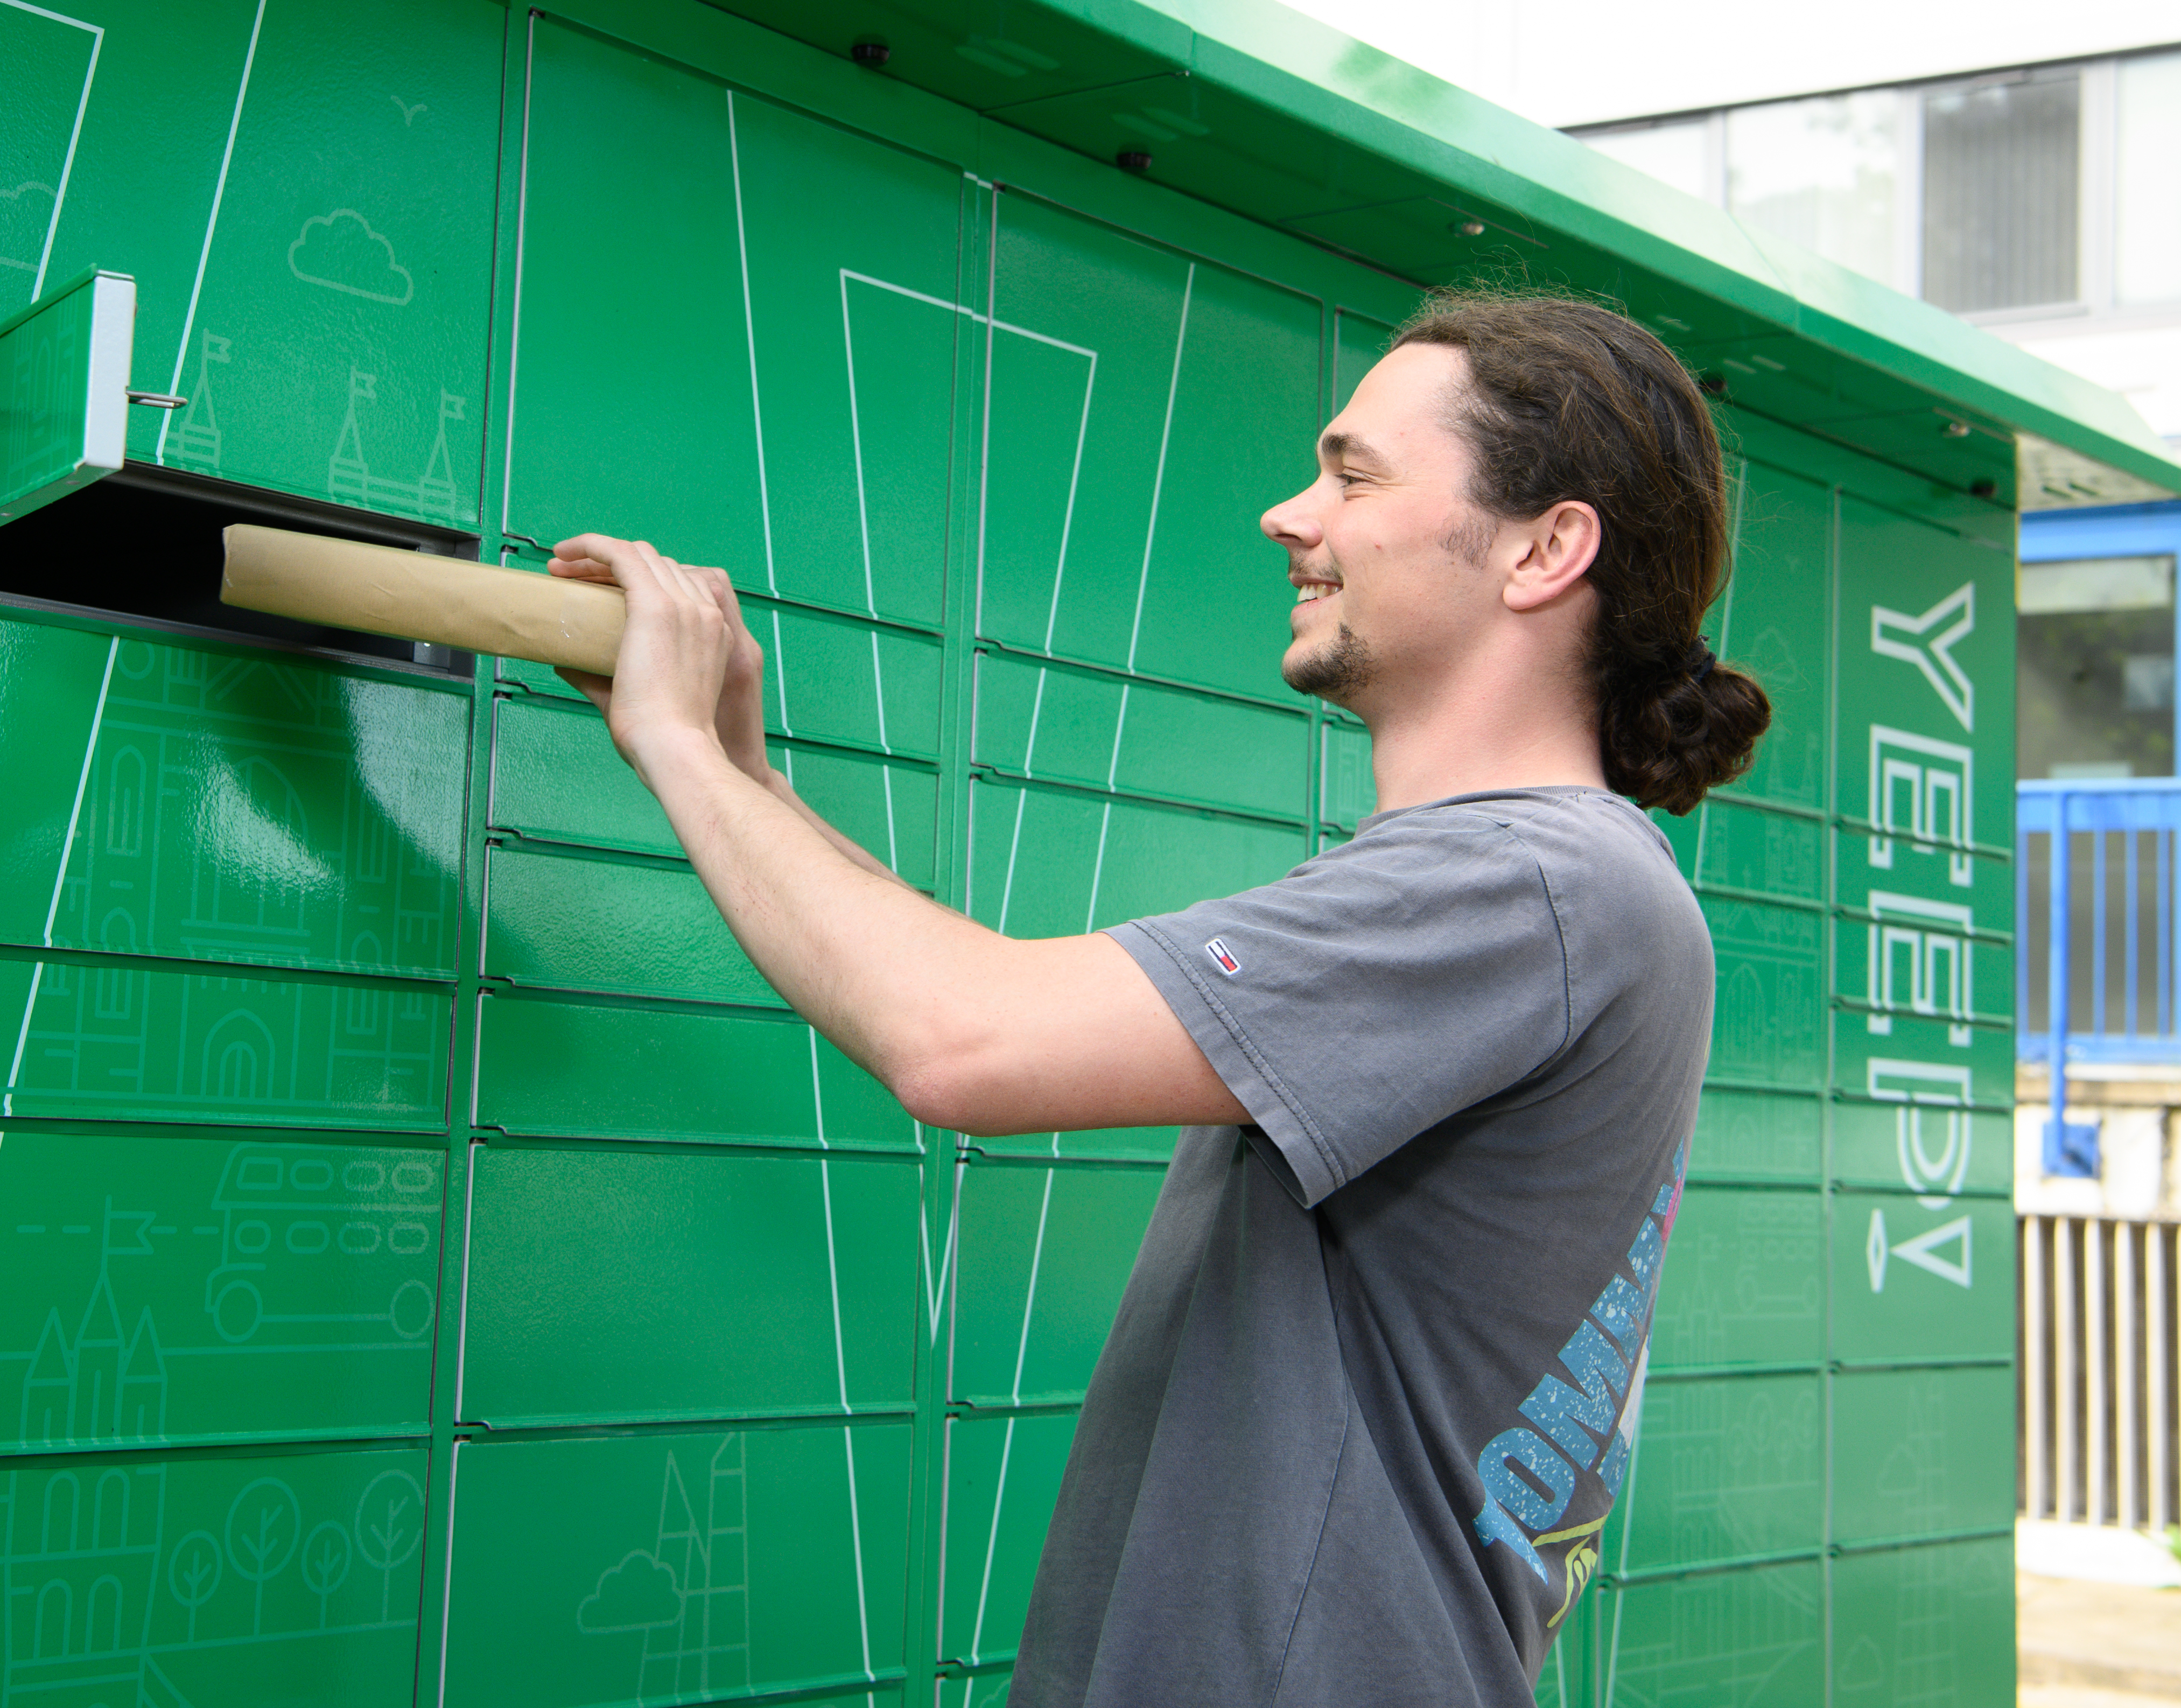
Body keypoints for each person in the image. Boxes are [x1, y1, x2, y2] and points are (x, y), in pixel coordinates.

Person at [549, 289, 1772, 1706]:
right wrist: (737, 775)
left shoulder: (1535, 885)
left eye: (1352, 473)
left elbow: (964, 1042)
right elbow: (974, 1003)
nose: (1286, 513)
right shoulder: (1542, 886)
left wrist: (677, 753)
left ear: (1545, 546)